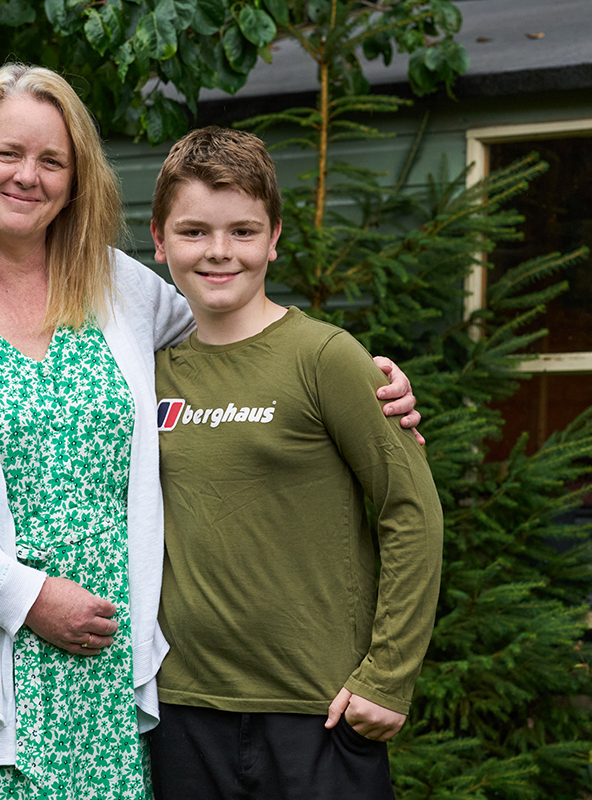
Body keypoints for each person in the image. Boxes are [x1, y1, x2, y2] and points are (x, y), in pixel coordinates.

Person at [0, 65, 419, 799]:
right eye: (7, 154)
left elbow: (237, 335)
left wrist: (364, 380)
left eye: (53, 161)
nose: (29, 176)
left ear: (78, 178)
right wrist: (26, 597)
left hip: (96, 681)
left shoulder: (118, 289)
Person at [147, 126, 444, 800]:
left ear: (274, 238)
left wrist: (388, 678)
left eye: (243, 232)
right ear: (160, 240)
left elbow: (411, 510)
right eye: (194, 232)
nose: (219, 252)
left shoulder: (325, 358)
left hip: (319, 712)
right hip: (182, 710)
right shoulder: (146, 371)